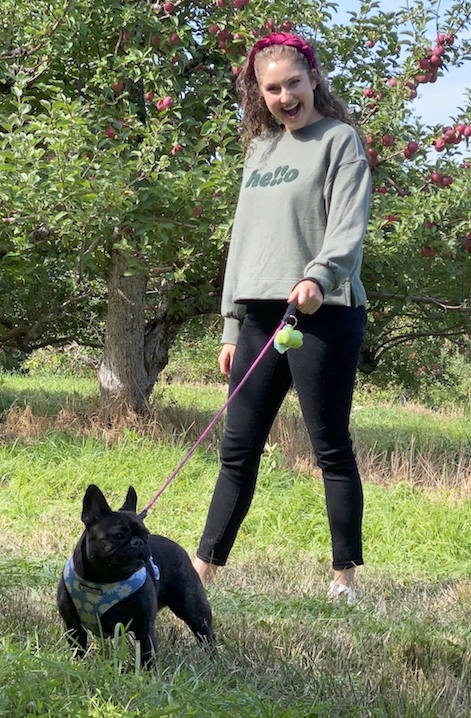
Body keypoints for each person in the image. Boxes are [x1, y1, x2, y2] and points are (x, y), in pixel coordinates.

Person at [193, 32, 371, 603]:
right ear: (259, 93)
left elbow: (348, 227)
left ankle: (344, 578)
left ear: (313, 78)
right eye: (272, 88)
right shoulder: (260, 152)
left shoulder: (339, 141)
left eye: (293, 82)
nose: (285, 95)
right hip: (257, 313)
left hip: (321, 310)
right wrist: (229, 323)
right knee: (237, 449)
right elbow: (242, 242)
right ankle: (202, 573)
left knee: (329, 448)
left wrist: (319, 276)